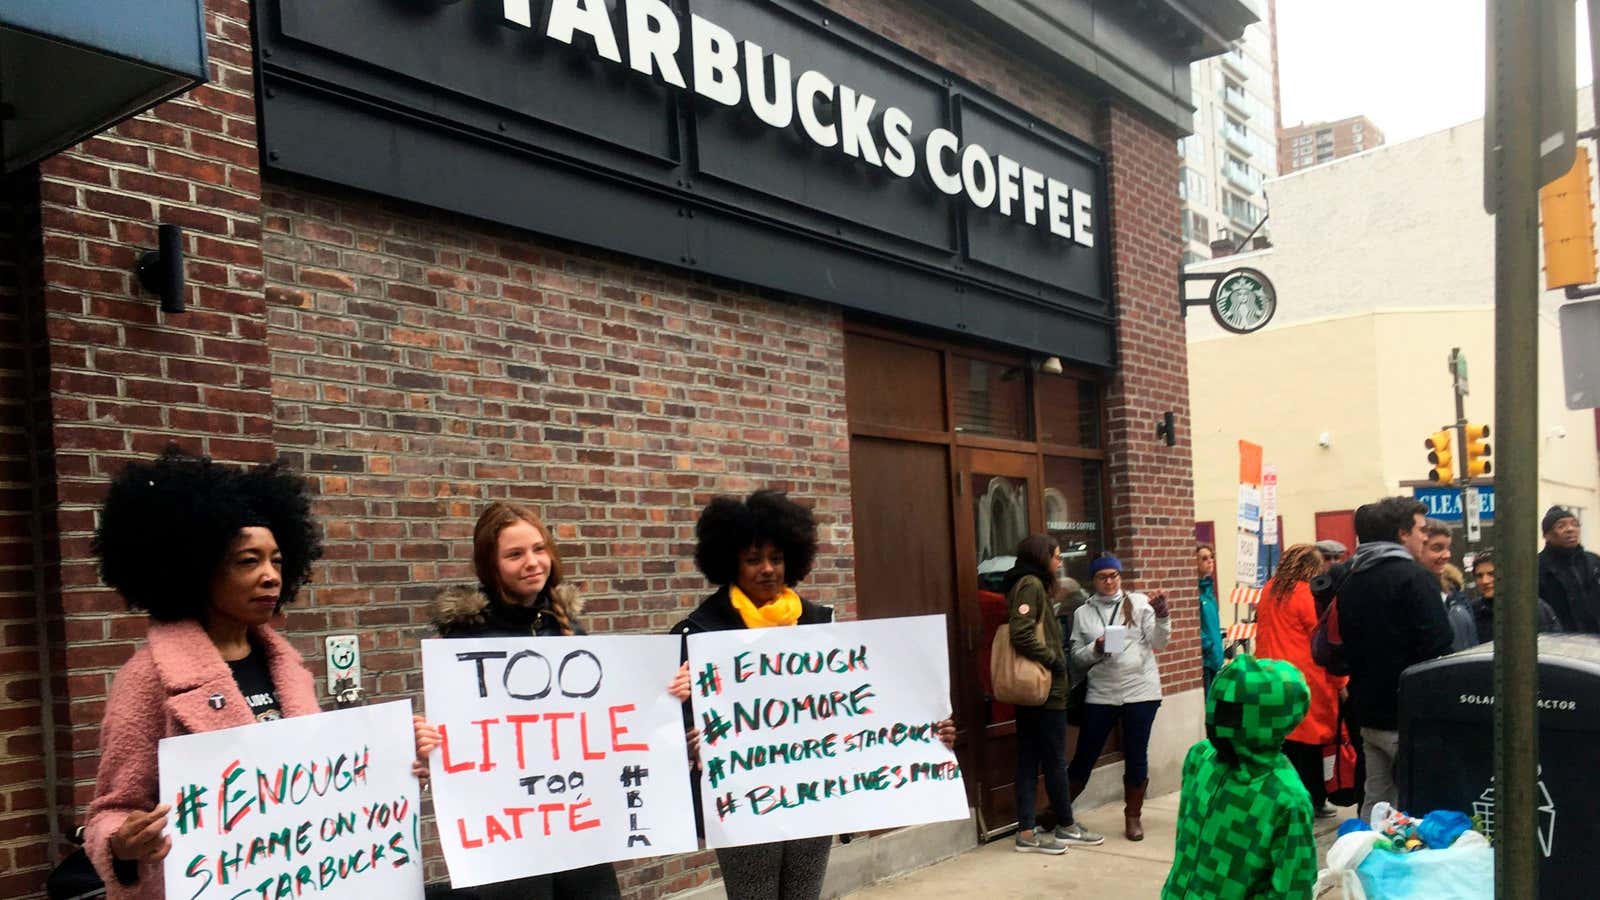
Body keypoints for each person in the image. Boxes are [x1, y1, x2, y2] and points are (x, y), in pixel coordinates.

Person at [670, 490, 955, 900]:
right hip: (744, 796)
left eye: (777, 558)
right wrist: (689, 739)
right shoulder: (699, 633)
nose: (768, 569)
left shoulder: (820, 624)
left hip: (812, 791)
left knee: (805, 894)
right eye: (753, 559)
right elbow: (670, 720)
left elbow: (857, 704)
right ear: (730, 562)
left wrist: (927, 731)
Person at [84, 449, 327, 899]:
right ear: (198, 569)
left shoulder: (291, 670)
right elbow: (110, 812)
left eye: (277, 560)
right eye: (248, 561)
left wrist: (395, 756)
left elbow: (321, 781)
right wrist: (125, 842)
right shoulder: (147, 679)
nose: (271, 576)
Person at [419, 501, 634, 900]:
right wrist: (429, 742)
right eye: (515, 554)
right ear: (491, 565)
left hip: (576, 822)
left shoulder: (568, 630)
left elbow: (608, 719)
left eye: (539, 548)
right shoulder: (464, 641)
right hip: (507, 838)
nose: (533, 562)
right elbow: (457, 742)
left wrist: (664, 694)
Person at [1161, 654, 1316, 900]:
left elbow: (1292, 889)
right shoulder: (1200, 759)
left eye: (1228, 713)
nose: (1217, 721)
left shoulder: (1286, 799)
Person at [1336, 497, 1453, 818]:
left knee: (1376, 801)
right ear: (1402, 534)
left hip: (1368, 715)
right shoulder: (1414, 578)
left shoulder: (1352, 579)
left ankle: (1366, 861)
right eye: (1420, 530)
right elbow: (1440, 644)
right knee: (1415, 807)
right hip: (1409, 716)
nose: (1424, 537)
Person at [1003, 535, 1104, 854]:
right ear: (1041, 557)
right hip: (1044, 689)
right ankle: (1066, 825)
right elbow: (1021, 632)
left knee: (1030, 759)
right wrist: (1054, 660)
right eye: (1056, 557)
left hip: (1037, 690)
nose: (1060, 562)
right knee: (1054, 760)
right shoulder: (1030, 584)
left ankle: (1028, 831)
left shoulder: (1029, 583)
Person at [1067, 555, 1171, 841]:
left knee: (1137, 754)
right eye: (1103, 577)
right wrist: (1096, 649)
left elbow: (1160, 642)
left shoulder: (1138, 604)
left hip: (1141, 690)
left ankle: (1133, 816)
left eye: (1114, 575)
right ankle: (1061, 811)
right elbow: (1076, 659)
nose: (1110, 581)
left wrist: (1162, 617)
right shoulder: (1082, 614)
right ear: (1093, 581)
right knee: (1086, 752)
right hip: (1102, 692)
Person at [1253, 544, 1345, 819]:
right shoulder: (1306, 594)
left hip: (1270, 676)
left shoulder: (1269, 590)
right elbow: (1325, 638)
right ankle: (1314, 799)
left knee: (1284, 743)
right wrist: (1341, 682)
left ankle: (1283, 799)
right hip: (1304, 680)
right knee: (1310, 746)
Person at [1467, 549, 1561, 642]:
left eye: (1492, 574)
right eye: (1479, 576)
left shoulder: (1532, 608)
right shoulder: (1472, 610)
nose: (1485, 581)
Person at [1536, 506, 1600, 633]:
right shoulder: (1537, 566)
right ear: (1546, 535)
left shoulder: (1593, 561)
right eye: (1561, 526)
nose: (1570, 529)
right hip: (1558, 642)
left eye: (1575, 524)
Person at [1418, 519, 1477, 651]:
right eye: (1437, 548)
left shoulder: (1455, 591)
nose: (1447, 555)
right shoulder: (1416, 594)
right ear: (1418, 548)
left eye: (1447, 548)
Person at [1196, 544, 1224, 697]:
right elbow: (1196, 627)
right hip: (1206, 661)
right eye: (1204, 558)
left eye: (1211, 557)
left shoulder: (1209, 592)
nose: (1210, 561)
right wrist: (1208, 645)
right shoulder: (1196, 593)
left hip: (1216, 657)